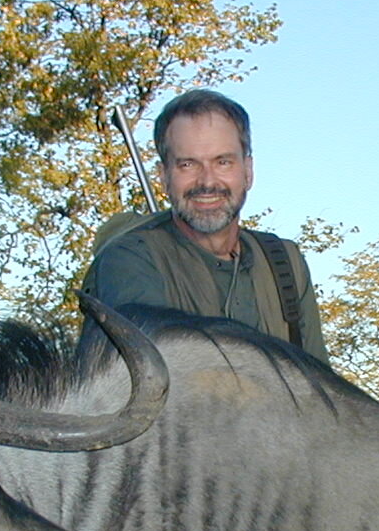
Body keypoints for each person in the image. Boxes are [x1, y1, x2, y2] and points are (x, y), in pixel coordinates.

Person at [84, 89, 329, 363]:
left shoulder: (285, 262)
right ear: (164, 176)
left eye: (223, 162)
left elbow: (324, 390)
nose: (207, 182)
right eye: (188, 164)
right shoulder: (130, 260)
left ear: (248, 171)